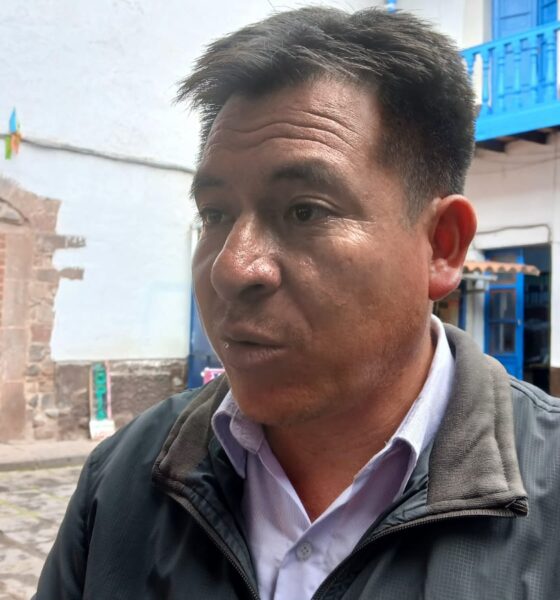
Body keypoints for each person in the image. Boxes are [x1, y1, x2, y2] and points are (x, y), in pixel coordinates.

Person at [36, 7, 560, 600]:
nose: (233, 268)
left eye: (305, 211)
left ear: (441, 246)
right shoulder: (122, 479)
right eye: (215, 214)